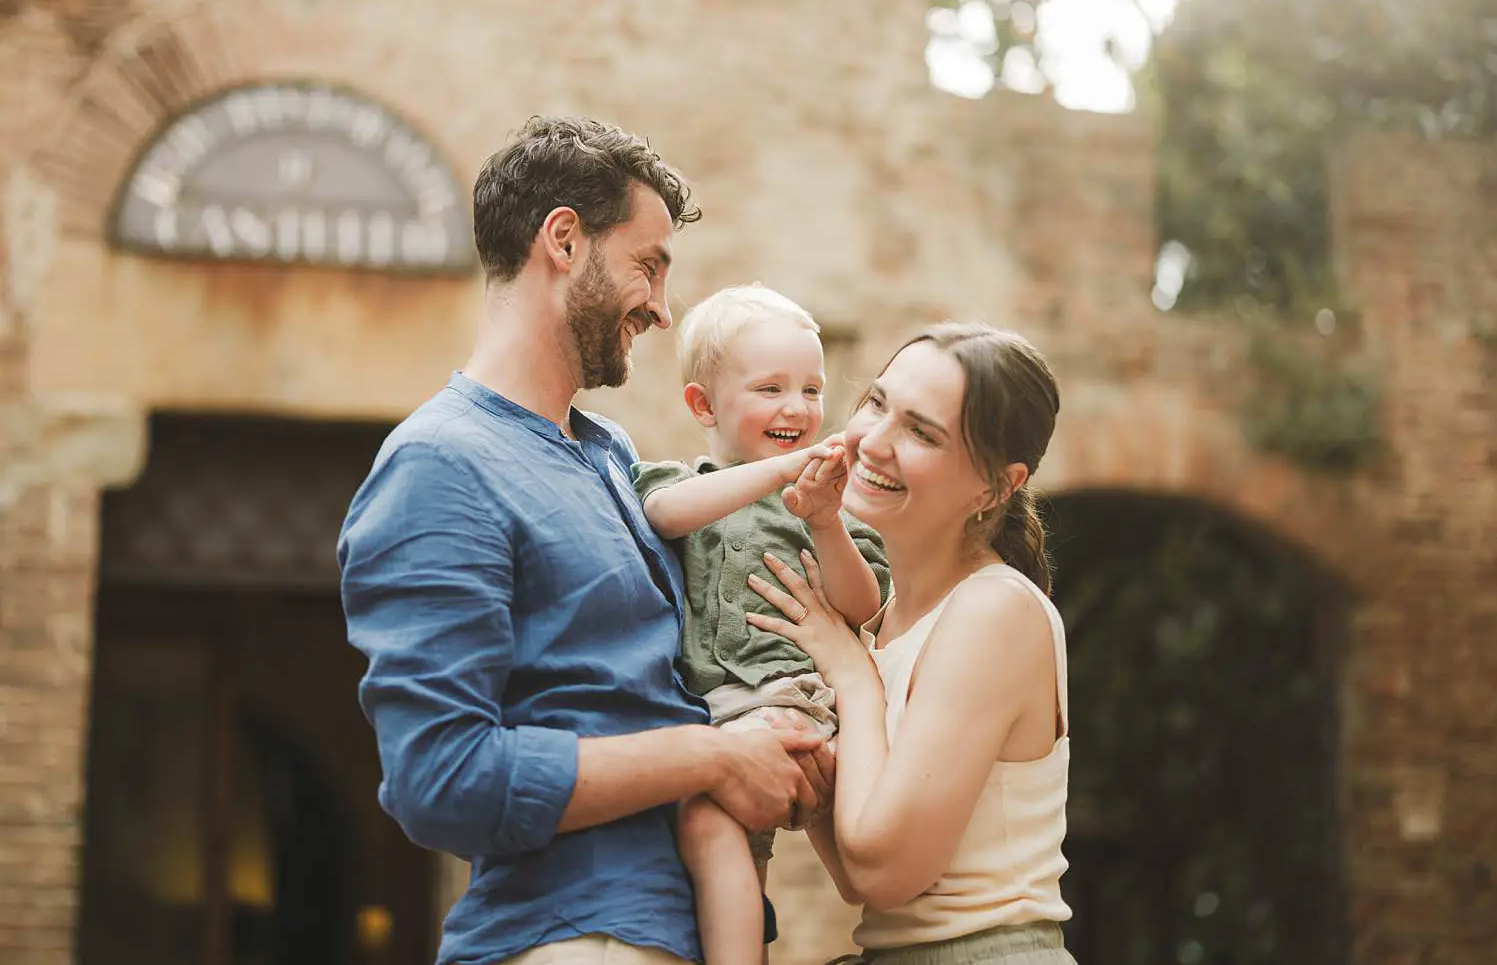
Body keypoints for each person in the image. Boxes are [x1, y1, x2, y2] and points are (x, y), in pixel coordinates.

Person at [337, 116, 833, 965]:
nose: (662, 307)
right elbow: (441, 779)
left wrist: (780, 749)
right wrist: (712, 755)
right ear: (564, 240)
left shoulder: (610, 457)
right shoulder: (440, 463)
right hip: (575, 938)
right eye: (649, 266)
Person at [746, 323, 1078, 964]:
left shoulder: (994, 610)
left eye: (922, 433)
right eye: (875, 402)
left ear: (996, 487)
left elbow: (883, 870)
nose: (874, 441)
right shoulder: (891, 614)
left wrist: (849, 671)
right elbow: (869, 885)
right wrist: (812, 787)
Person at [631, 284, 890, 965]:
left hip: (798, 705)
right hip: (727, 721)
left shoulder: (830, 503)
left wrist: (825, 520)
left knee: (861, 858)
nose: (798, 408)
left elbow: (863, 603)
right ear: (703, 405)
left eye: (812, 388)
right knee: (723, 836)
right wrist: (775, 469)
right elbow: (663, 514)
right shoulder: (681, 483)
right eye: (771, 388)